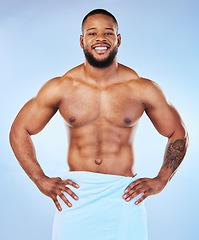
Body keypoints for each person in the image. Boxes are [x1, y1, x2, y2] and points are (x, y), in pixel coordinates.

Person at [9, 9, 188, 240]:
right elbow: (19, 130)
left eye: (108, 33)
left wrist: (162, 179)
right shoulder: (61, 87)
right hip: (75, 196)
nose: (100, 38)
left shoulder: (142, 88)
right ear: (82, 41)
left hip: (124, 196)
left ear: (118, 39)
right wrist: (39, 179)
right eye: (92, 33)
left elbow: (177, 131)